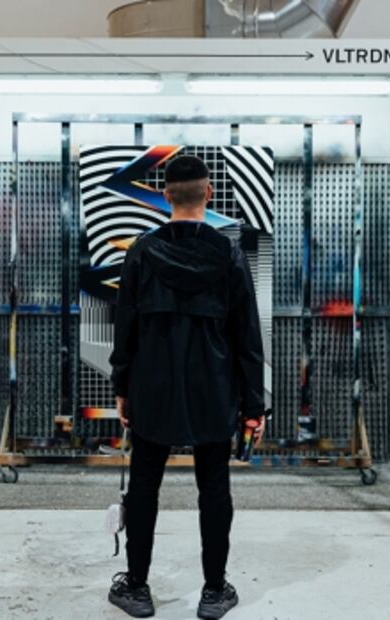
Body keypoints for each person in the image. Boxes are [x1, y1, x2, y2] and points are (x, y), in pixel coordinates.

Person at [107, 155, 266, 619]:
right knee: (214, 488)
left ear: (165, 197)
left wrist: (123, 387)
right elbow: (247, 336)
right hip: (214, 389)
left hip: (151, 387)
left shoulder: (141, 252)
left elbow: (125, 328)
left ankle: (137, 588)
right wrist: (253, 405)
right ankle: (214, 592)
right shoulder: (229, 254)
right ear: (208, 194)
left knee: (144, 486)